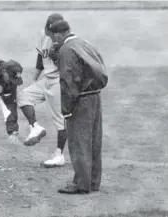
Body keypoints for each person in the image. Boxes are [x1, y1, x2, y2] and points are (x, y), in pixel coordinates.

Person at [49, 20, 108, 194]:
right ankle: (93, 181)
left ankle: (81, 184)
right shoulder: (84, 43)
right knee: (94, 141)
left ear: (59, 34)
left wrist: (66, 109)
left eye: (53, 36)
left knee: (79, 142)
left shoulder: (67, 50)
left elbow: (68, 82)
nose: (53, 40)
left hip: (80, 99)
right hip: (95, 96)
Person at [17, 13, 67, 168]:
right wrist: (34, 79)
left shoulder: (66, 42)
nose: (50, 35)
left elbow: (70, 67)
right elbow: (40, 58)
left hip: (59, 81)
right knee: (23, 95)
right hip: (45, 79)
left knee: (60, 119)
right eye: (48, 31)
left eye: (52, 33)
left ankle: (59, 154)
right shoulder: (43, 36)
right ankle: (35, 127)